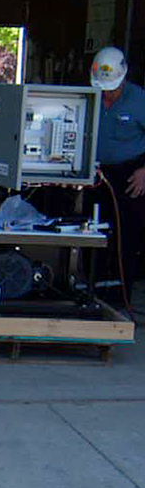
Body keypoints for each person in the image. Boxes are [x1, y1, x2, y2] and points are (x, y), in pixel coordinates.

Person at [87, 46, 145, 302]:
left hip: (131, 175)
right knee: (92, 231)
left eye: (112, 88)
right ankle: (91, 291)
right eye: (103, 88)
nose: (107, 94)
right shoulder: (90, 96)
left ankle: (120, 295)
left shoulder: (139, 99)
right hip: (96, 173)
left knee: (126, 236)